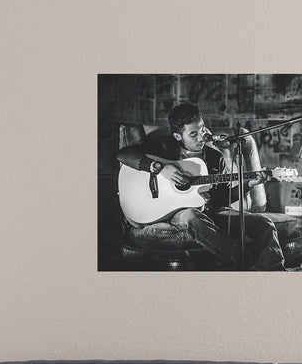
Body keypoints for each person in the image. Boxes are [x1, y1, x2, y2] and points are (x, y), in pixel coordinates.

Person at [116, 103, 286, 271]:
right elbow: (123, 155)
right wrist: (160, 168)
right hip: (177, 212)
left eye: (202, 129)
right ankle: (245, 265)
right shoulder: (162, 147)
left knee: (265, 224)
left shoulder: (214, 157)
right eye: (193, 134)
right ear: (178, 136)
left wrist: (249, 184)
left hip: (211, 211)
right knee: (192, 216)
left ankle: (274, 273)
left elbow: (224, 196)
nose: (201, 137)